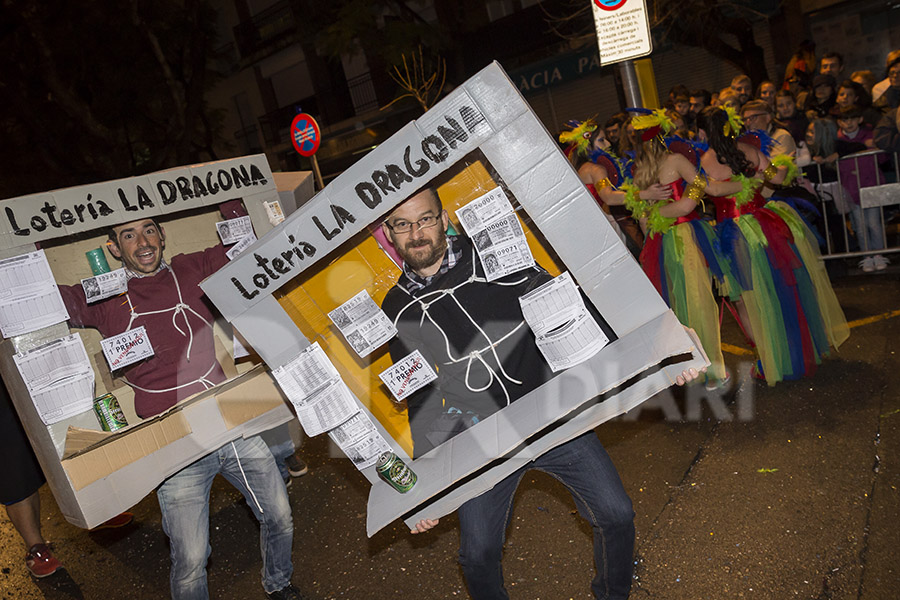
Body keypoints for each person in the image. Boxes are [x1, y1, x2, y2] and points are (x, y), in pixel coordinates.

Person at [380, 187, 703, 600]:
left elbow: (572, 309)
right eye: (403, 225)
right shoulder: (395, 308)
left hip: (550, 413)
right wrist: (427, 488)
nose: (416, 233)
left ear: (444, 220)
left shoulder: (497, 256)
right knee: (477, 554)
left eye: (425, 219)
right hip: (478, 440)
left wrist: (660, 343)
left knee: (616, 514)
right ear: (389, 233)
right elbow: (421, 397)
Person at [59, 217, 304, 600]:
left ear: (162, 235)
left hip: (229, 422)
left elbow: (248, 238)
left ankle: (279, 583)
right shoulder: (102, 297)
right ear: (112, 248)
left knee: (280, 515)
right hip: (173, 443)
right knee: (191, 556)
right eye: (128, 235)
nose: (142, 241)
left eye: (149, 230)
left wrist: (236, 202)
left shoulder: (193, 268)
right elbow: (41, 302)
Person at [698, 106, 849, 384]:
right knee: (780, 289)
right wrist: (755, 176)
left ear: (703, 132)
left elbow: (714, 190)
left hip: (733, 233)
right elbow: (778, 178)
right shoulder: (747, 149)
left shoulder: (704, 160)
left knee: (745, 297)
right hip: (765, 224)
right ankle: (793, 352)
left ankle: (768, 358)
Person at [623, 109, 743, 388]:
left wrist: (654, 226)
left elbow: (643, 219)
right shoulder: (676, 160)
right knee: (699, 303)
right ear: (661, 136)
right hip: (685, 237)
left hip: (659, 242)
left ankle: (688, 371)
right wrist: (746, 184)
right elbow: (706, 191)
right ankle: (712, 371)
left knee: (675, 307)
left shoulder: (637, 171)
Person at [560, 119, 668, 257]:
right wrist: (646, 194)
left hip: (587, 229)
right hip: (605, 227)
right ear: (587, 145)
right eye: (602, 140)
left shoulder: (579, 169)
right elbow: (609, 197)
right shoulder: (596, 169)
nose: (608, 144)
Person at [836, 105, 889, 272]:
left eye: (852, 118)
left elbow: (883, 158)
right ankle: (867, 255)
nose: (849, 122)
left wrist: (875, 146)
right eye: (845, 119)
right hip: (851, 188)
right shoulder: (838, 142)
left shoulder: (870, 136)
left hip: (871, 186)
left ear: (860, 119)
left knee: (873, 222)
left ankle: (879, 253)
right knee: (859, 224)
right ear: (839, 122)